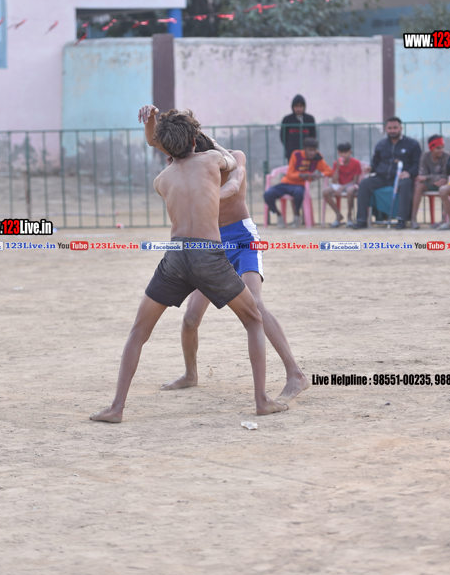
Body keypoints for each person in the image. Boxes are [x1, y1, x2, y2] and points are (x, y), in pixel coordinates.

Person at [90, 108, 287, 423]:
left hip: (176, 256)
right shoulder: (211, 161)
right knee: (253, 319)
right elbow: (232, 161)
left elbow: (165, 149)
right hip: (208, 254)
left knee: (139, 331)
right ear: (195, 140)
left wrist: (154, 125)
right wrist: (207, 144)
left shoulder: (161, 180)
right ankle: (262, 400)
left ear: (167, 150)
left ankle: (116, 408)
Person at [159, 131, 310, 402]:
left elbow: (230, 188)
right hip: (210, 241)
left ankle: (295, 374)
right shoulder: (192, 167)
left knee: (255, 304)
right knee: (190, 317)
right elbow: (160, 146)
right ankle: (191, 374)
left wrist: (204, 192)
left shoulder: (234, 157)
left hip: (241, 238)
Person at [353, 117, 421, 230]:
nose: (392, 130)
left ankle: (401, 220)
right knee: (364, 184)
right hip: (382, 177)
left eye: (395, 128)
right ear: (386, 129)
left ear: (401, 128)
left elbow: (417, 164)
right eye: (390, 128)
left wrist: (409, 173)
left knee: (406, 184)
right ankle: (361, 220)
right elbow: (375, 163)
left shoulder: (412, 144)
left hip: (401, 177)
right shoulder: (381, 145)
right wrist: (370, 168)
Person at [264, 137, 332, 228]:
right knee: (268, 194)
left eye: (314, 150)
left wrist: (320, 175)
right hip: (286, 183)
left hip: (300, 185)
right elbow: (290, 174)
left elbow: (329, 171)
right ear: (304, 149)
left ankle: (296, 216)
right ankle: (279, 215)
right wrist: (301, 175)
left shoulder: (317, 157)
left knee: (299, 193)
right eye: (310, 150)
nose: (312, 153)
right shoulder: (296, 155)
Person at [410, 135, 450, 230]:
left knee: (445, 187)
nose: (441, 150)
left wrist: (430, 178)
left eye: (442, 147)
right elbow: (421, 176)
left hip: (442, 183)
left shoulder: (446, 156)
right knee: (419, 186)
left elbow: (445, 175)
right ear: (431, 148)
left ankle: (445, 219)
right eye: (438, 148)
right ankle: (413, 219)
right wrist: (434, 180)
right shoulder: (425, 156)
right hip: (431, 183)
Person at [323, 142, 363, 227]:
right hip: (340, 184)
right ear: (338, 153)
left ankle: (349, 216)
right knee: (325, 191)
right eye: (341, 152)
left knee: (350, 190)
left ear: (350, 152)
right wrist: (337, 168)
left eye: (345, 152)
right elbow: (334, 181)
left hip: (351, 185)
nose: (343, 155)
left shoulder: (356, 163)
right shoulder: (336, 163)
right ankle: (338, 215)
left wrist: (342, 188)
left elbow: (355, 181)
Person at [280, 95, 316, 160]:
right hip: (292, 152)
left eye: (301, 106)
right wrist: (289, 147)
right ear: (293, 107)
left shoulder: (310, 119)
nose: (298, 109)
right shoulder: (287, 119)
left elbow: (313, 135)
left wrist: (310, 149)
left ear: (304, 107)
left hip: (307, 153)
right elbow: (283, 136)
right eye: (296, 106)